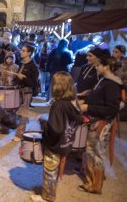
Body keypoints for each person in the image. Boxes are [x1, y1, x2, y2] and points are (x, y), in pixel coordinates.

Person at [30, 72, 85, 202]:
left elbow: (55, 129)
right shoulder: (73, 102)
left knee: (49, 170)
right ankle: (52, 186)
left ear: (57, 87)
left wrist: (45, 127)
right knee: (54, 168)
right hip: (66, 142)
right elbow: (78, 119)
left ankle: (48, 197)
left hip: (54, 144)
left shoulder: (58, 105)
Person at [78, 55, 122, 194]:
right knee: (91, 152)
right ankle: (92, 181)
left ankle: (95, 185)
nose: (96, 67)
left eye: (98, 65)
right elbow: (98, 99)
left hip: (101, 124)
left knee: (96, 153)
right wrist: (85, 99)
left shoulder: (112, 84)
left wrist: (88, 108)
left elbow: (111, 109)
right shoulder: (104, 80)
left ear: (106, 67)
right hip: (94, 120)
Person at [14, 45, 40, 141]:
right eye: (22, 50)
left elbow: (34, 83)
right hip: (19, 90)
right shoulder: (21, 63)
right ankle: (22, 129)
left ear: (29, 53)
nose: (21, 52)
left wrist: (24, 78)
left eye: (23, 50)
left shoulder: (33, 66)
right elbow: (18, 77)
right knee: (18, 111)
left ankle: (19, 134)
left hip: (27, 91)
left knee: (24, 112)